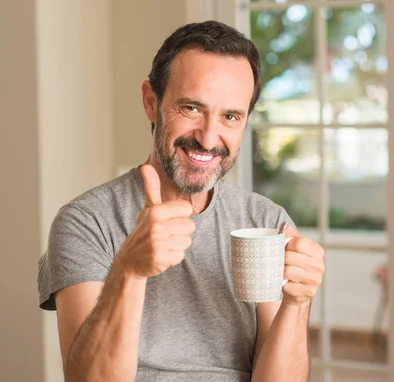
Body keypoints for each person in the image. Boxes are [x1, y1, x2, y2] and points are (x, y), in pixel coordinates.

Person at [37, 20, 325, 382]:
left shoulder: (267, 221)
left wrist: (298, 304)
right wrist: (129, 270)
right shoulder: (86, 221)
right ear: (150, 101)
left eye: (230, 116)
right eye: (191, 109)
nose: (208, 138)